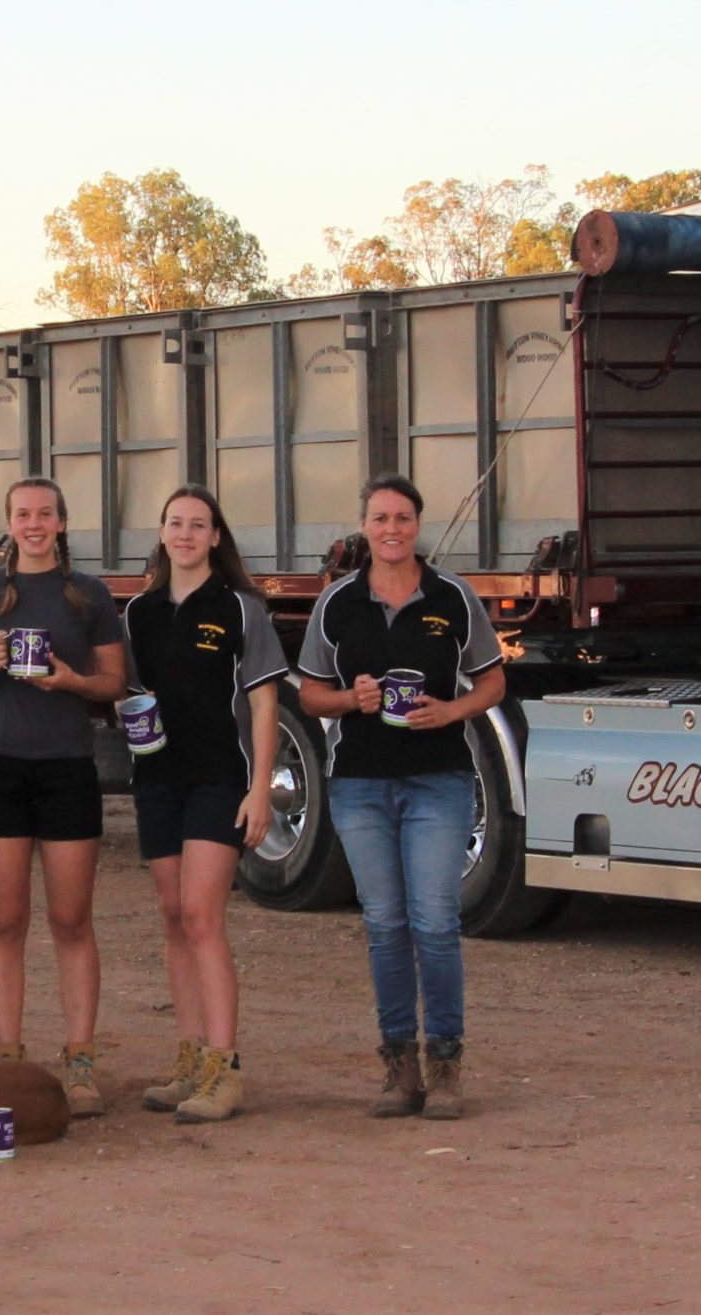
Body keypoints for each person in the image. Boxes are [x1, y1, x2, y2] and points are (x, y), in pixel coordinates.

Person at [296, 473, 505, 1121]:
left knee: (436, 923)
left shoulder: (452, 596)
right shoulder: (337, 602)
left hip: (438, 779)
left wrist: (451, 711)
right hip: (360, 783)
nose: (393, 528)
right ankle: (398, 1067)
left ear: (418, 524)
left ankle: (446, 1064)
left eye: (404, 517)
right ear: (365, 525)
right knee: (385, 926)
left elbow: (493, 680)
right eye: (381, 517)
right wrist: (349, 700)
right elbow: (309, 692)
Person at [0, 476, 127, 1117]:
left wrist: (73, 681)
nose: (35, 523)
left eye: (46, 513)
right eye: (23, 514)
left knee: (72, 922)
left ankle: (79, 1062)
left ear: (63, 522)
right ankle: (9, 1064)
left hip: (68, 768)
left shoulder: (90, 595)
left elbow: (113, 684)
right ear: (10, 523)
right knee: (6, 922)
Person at [121, 485, 283, 1124]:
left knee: (201, 914)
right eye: (175, 523)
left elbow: (266, 701)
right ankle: (188, 1060)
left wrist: (261, 787)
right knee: (171, 915)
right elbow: (129, 696)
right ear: (161, 533)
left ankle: (224, 1068)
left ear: (217, 537)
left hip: (221, 778)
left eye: (198, 525)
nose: (185, 534)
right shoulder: (138, 613)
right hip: (158, 778)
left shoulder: (242, 610)